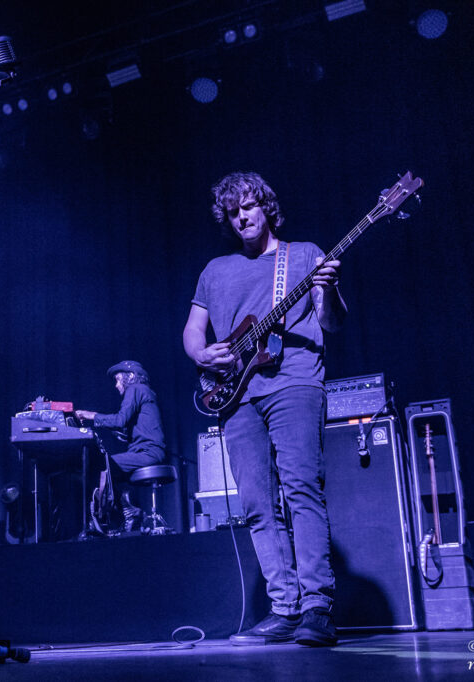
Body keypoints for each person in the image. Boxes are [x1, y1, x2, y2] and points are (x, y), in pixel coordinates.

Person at [182, 172, 346, 647]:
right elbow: (193, 329)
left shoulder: (306, 255)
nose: (242, 217)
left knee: (301, 490)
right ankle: (285, 609)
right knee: (256, 504)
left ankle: (317, 608)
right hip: (237, 395)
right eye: (232, 213)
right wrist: (201, 354)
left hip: (294, 381)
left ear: (266, 207)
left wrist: (329, 291)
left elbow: (332, 324)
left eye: (249, 206)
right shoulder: (215, 270)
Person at [74, 361, 166, 533]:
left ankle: (119, 515)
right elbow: (132, 427)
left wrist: (90, 415)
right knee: (108, 468)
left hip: (148, 453)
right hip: (148, 451)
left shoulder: (135, 389)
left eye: (118, 379)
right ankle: (127, 510)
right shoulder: (145, 391)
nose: (116, 385)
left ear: (130, 376)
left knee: (101, 465)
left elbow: (120, 420)